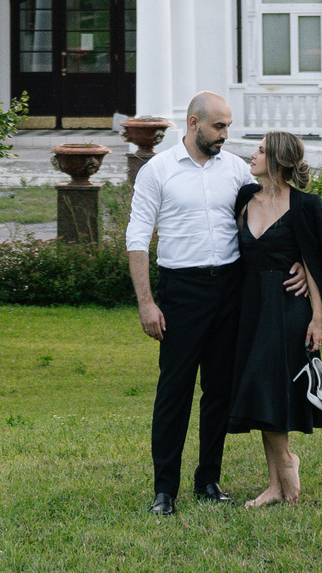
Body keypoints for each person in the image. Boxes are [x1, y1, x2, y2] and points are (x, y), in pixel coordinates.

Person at [126, 92, 305, 516]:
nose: (227, 134)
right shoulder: (159, 171)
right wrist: (147, 303)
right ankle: (164, 490)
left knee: (219, 392)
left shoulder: (236, 171)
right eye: (219, 127)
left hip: (230, 290)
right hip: (181, 292)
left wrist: (298, 262)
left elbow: (273, 211)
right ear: (193, 123)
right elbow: (137, 238)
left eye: (227, 126)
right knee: (174, 391)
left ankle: (208, 480)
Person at [224, 130, 322, 506]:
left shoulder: (306, 205)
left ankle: (287, 466)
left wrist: (317, 318)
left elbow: (315, 261)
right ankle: (277, 482)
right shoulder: (246, 198)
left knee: (268, 384)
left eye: (261, 150)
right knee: (263, 392)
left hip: (288, 307)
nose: (253, 155)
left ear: (276, 160)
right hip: (250, 307)